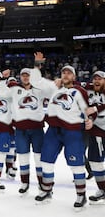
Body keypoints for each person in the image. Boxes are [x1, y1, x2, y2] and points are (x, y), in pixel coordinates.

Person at [30, 64, 91, 209]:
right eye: (64, 73)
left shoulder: (80, 91)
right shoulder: (53, 87)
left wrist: (90, 121)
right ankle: (47, 190)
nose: (66, 75)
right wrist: (37, 64)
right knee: (46, 162)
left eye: (69, 73)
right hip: (53, 131)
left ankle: (81, 195)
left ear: (74, 77)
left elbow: (87, 109)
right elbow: (35, 82)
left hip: (73, 131)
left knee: (76, 166)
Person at [0, 65, 46, 194]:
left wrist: (38, 67)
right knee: (23, 157)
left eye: (28, 75)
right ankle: (24, 183)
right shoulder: (14, 89)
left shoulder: (39, 89)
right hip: (20, 130)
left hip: (37, 129)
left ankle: (42, 183)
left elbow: (53, 91)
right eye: (23, 75)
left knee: (38, 158)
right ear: (20, 77)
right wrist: (2, 79)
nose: (25, 77)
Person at [83, 71, 105, 204]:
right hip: (96, 129)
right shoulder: (88, 89)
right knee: (94, 161)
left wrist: (96, 109)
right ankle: (102, 189)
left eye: (100, 79)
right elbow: (74, 84)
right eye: (95, 78)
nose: (97, 81)